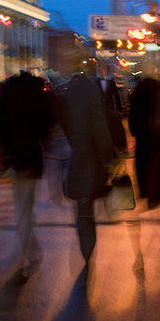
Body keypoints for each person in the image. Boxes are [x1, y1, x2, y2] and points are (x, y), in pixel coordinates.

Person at [57, 73, 117, 287]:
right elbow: (100, 129)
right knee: (89, 201)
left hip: (76, 161)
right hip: (92, 162)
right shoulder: (92, 99)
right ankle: (89, 247)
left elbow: (64, 124)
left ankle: (85, 248)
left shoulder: (68, 98)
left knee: (82, 206)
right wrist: (108, 157)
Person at [0, 70, 54, 281]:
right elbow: (45, 125)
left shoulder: (7, 92)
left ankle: (25, 251)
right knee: (26, 208)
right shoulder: (37, 95)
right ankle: (27, 252)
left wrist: (4, 152)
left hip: (12, 158)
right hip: (30, 157)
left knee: (20, 205)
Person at [128, 77, 160, 258]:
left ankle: (138, 252)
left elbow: (132, 126)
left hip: (143, 152)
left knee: (142, 199)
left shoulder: (138, 95)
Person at [98, 75, 127, 156]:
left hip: (109, 109)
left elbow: (116, 96)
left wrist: (118, 109)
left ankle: (115, 148)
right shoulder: (97, 83)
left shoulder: (110, 83)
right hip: (103, 110)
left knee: (112, 128)